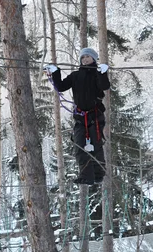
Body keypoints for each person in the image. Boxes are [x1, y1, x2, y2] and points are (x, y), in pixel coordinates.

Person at [44, 47, 110, 185]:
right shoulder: (75, 75)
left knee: (96, 145)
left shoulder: (97, 74)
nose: (85, 59)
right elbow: (61, 86)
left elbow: (104, 86)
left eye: (88, 57)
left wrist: (103, 73)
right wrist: (56, 73)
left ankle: (98, 174)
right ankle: (86, 176)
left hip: (95, 116)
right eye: (83, 57)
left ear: (93, 59)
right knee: (79, 146)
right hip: (80, 117)